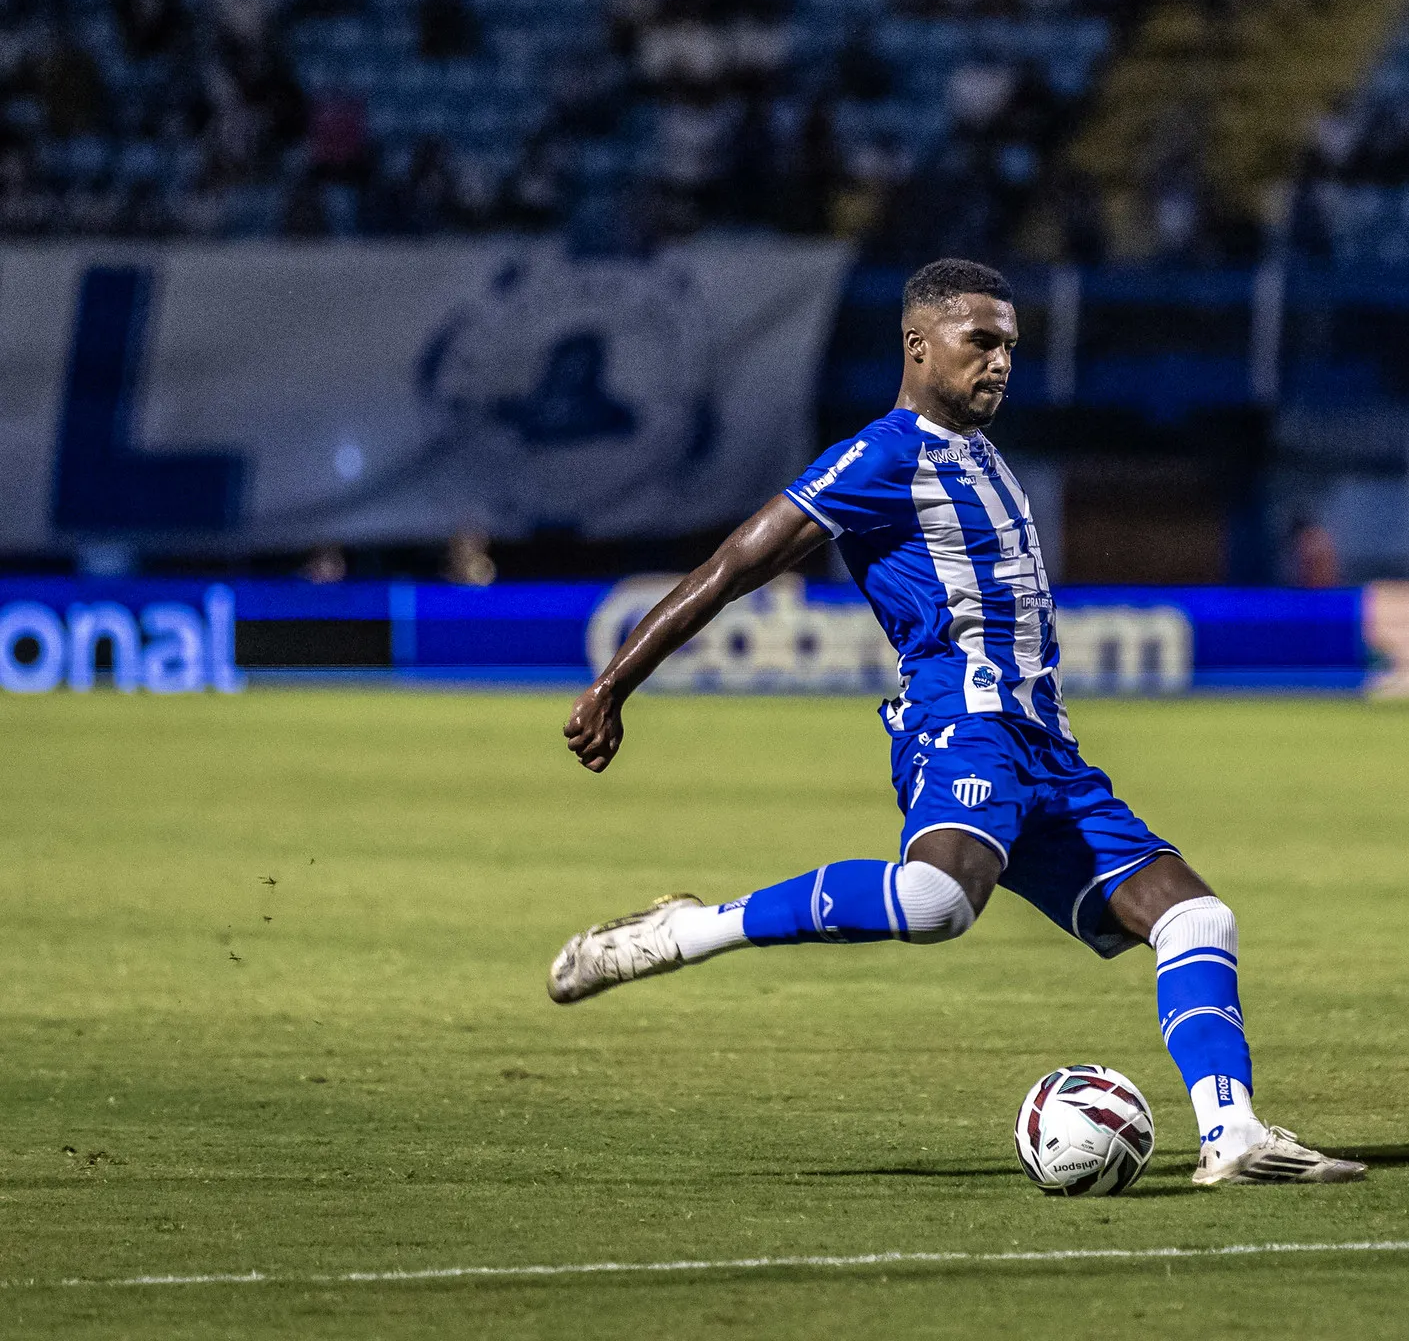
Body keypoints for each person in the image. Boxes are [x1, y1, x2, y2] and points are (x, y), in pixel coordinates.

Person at [549, 258, 1365, 1187]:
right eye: (980, 342)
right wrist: (615, 682)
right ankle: (698, 928)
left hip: (1044, 747)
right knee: (938, 904)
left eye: (1010, 346)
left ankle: (1232, 1136)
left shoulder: (976, 452)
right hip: (959, 721)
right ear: (917, 345)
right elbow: (737, 561)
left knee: (1193, 918)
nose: (1000, 362)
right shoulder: (881, 455)